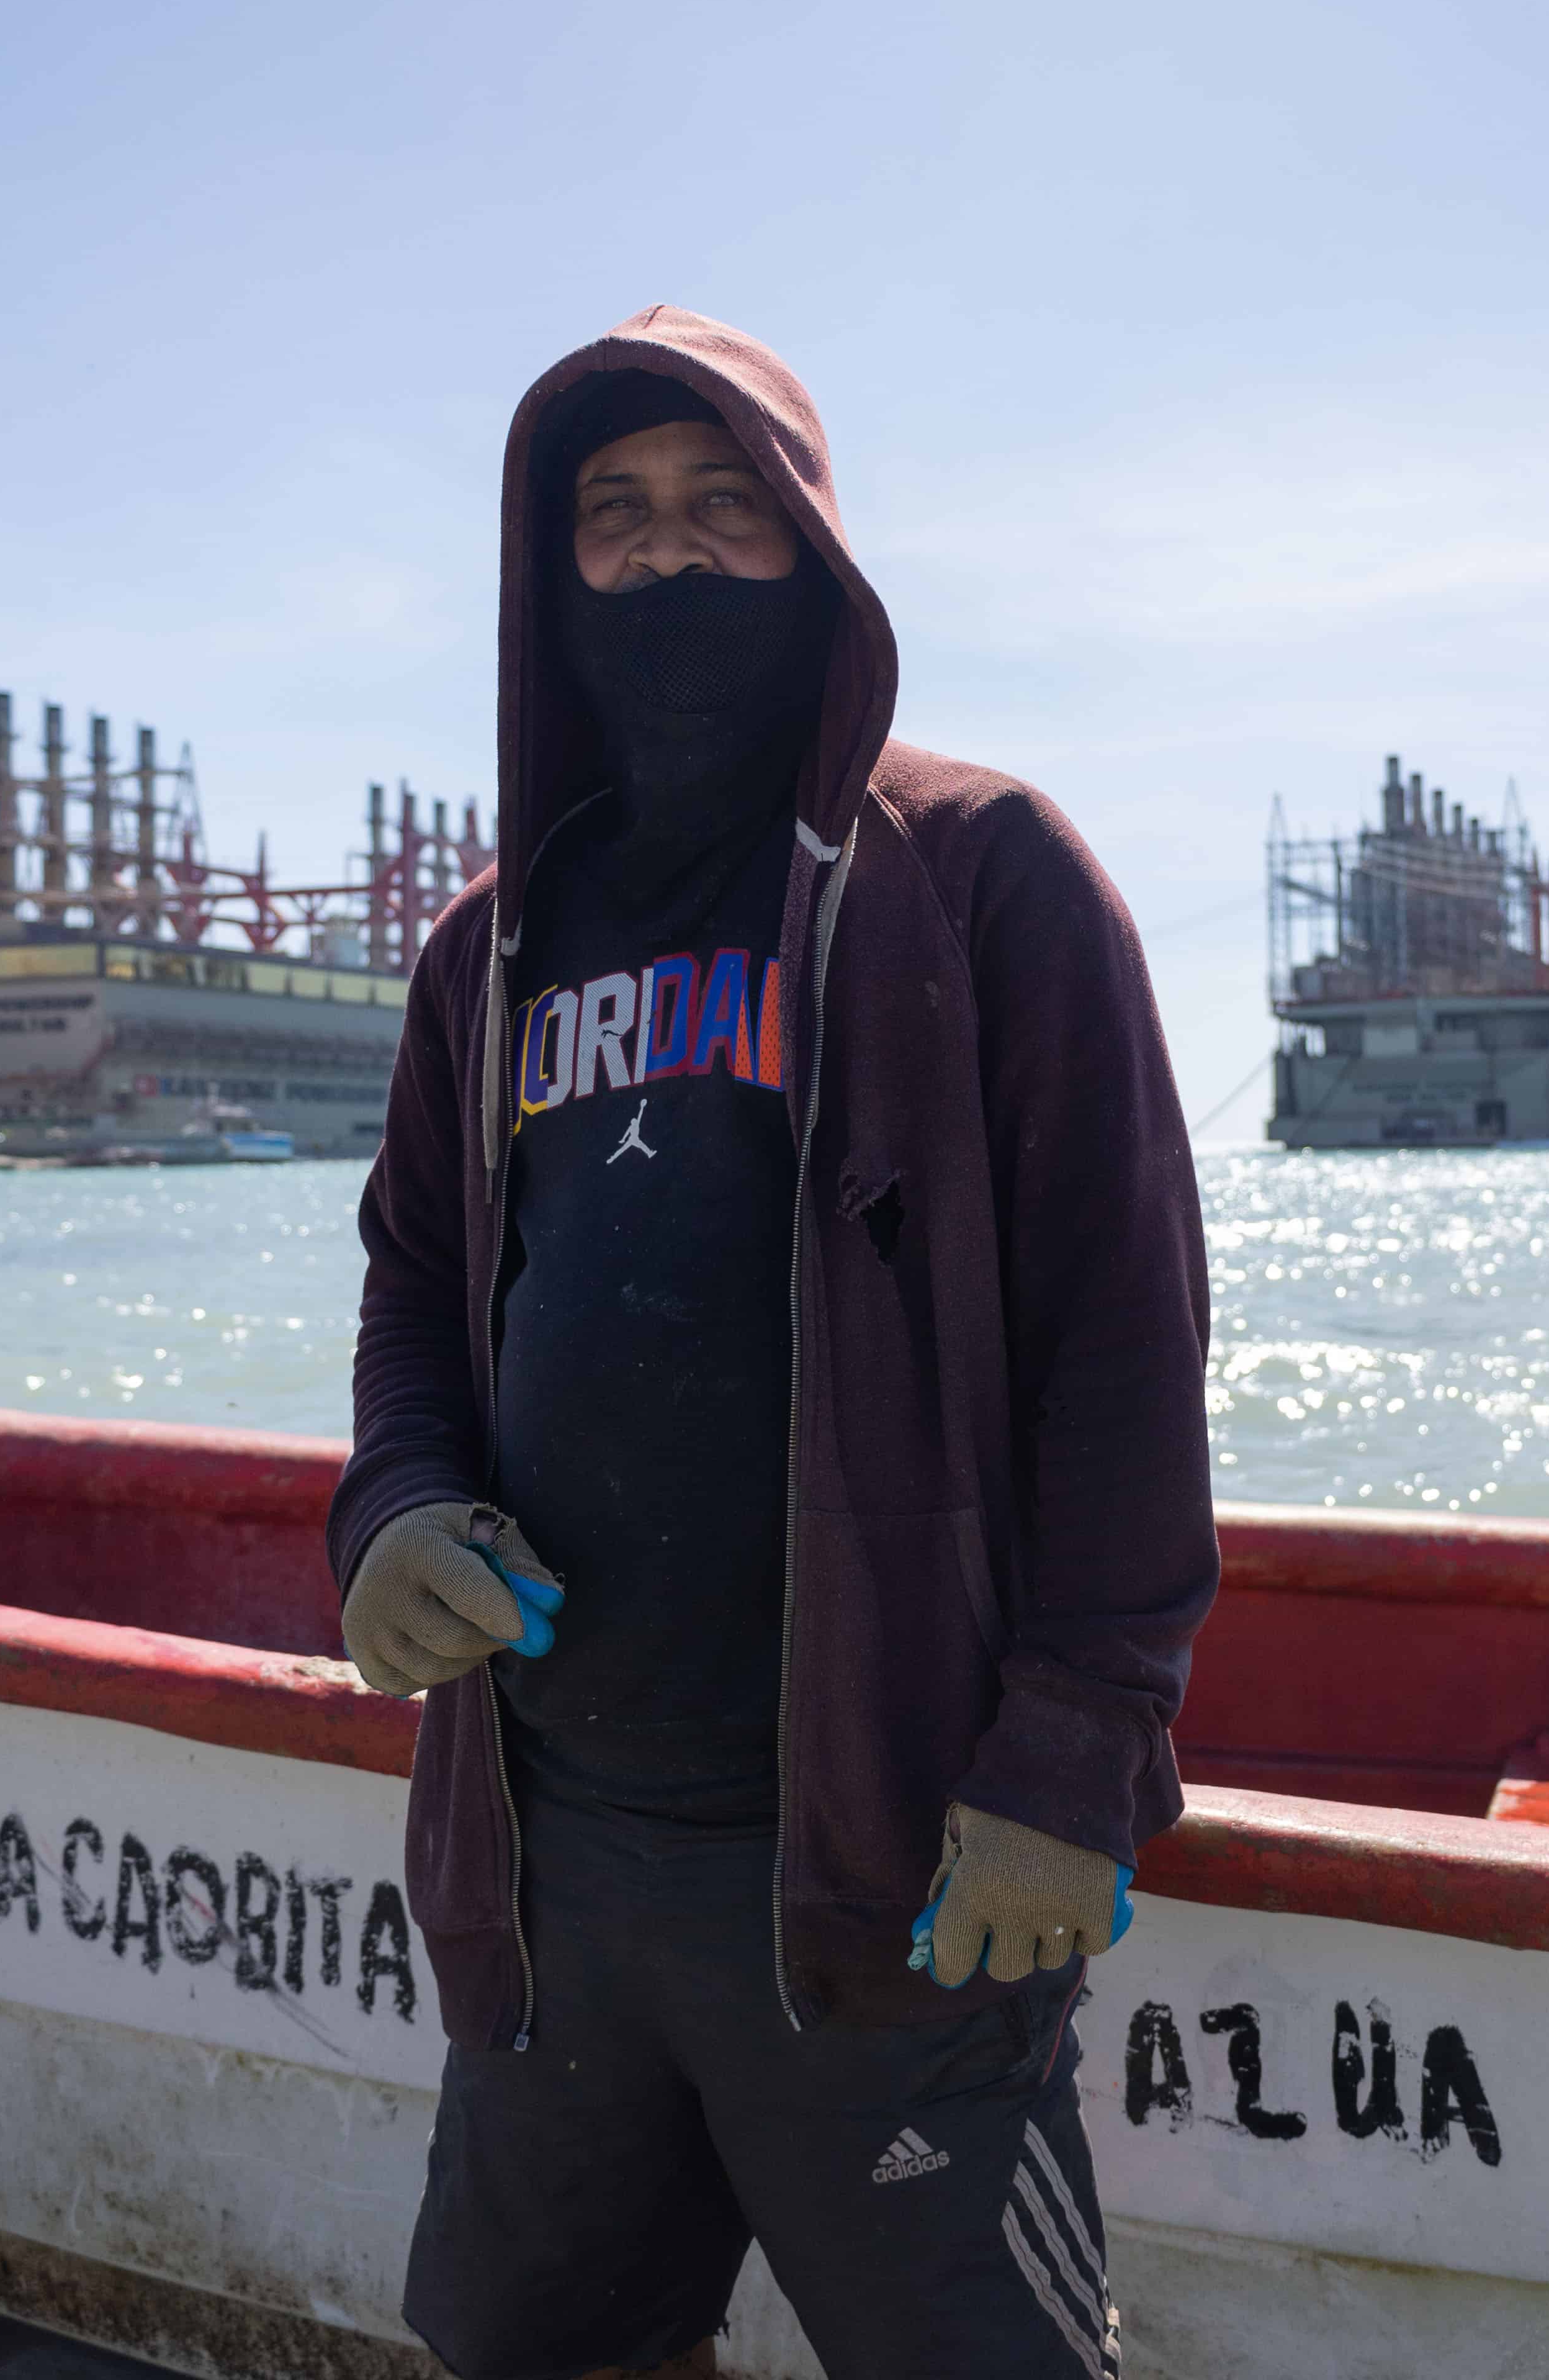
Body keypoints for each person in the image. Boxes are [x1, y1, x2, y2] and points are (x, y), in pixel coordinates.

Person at [326, 307, 1217, 2380]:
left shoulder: (984, 872)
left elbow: (1124, 1331)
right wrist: (386, 1512)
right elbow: (412, 1288)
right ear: (551, 576)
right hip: (553, 1867)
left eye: (727, 505)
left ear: (816, 545)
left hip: (897, 1872)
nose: (667, 554)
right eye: (615, 517)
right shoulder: (494, 945)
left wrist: (1075, 1753)